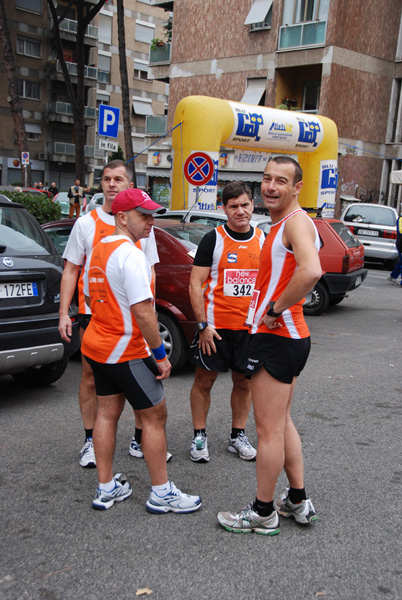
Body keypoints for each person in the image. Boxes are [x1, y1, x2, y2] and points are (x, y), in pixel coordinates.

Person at [217, 156, 322, 535]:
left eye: (281, 180)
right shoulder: (281, 224)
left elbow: (312, 270)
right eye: (266, 178)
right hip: (285, 338)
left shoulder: (294, 223)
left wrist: (275, 309)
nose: (271, 186)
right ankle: (297, 500)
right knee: (281, 423)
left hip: (278, 338)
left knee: (268, 431)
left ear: (297, 188)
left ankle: (262, 511)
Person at [82, 188, 202, 513]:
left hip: (98, 346)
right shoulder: (131, 254)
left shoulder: (98, 249)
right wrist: (161, 357)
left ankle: (106, 487)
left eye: (151, 214)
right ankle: (162, 493)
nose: (151, 221)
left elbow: (92, 300)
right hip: (127, 350)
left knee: (106, 414)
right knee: (154, 417)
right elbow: (145, 312)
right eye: (143, 215)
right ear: (122, 217)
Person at [59, 160, 166, 469]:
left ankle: (136, 441)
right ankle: (91, 441)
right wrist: (65, 312)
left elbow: (151, 274)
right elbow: (71, 270)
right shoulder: (88, 224)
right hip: (100, 319)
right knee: (98, 381)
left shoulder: (140, 227)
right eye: (106, 178)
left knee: (129, 389)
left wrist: (150, 312)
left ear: (128, 184)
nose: (111, 184)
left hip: (129, 318)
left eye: (118, 178)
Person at [188, 181, 264, 463]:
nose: (240, 211)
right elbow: (195, 285)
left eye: (245, 205)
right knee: (203, 381)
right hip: (214, 329)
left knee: (243, 383)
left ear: (253, 205)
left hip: (249, 330)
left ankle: (237, 435)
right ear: (224, 208)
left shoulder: (263, 239)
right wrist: (202, 325)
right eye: (234, 206)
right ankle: (199, 436)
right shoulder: (213, 239)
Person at [387, 211, 402, 286]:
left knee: (401, 262)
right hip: (401, 244)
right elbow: (400, 231)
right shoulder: (401, 219)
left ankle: (393, 276)